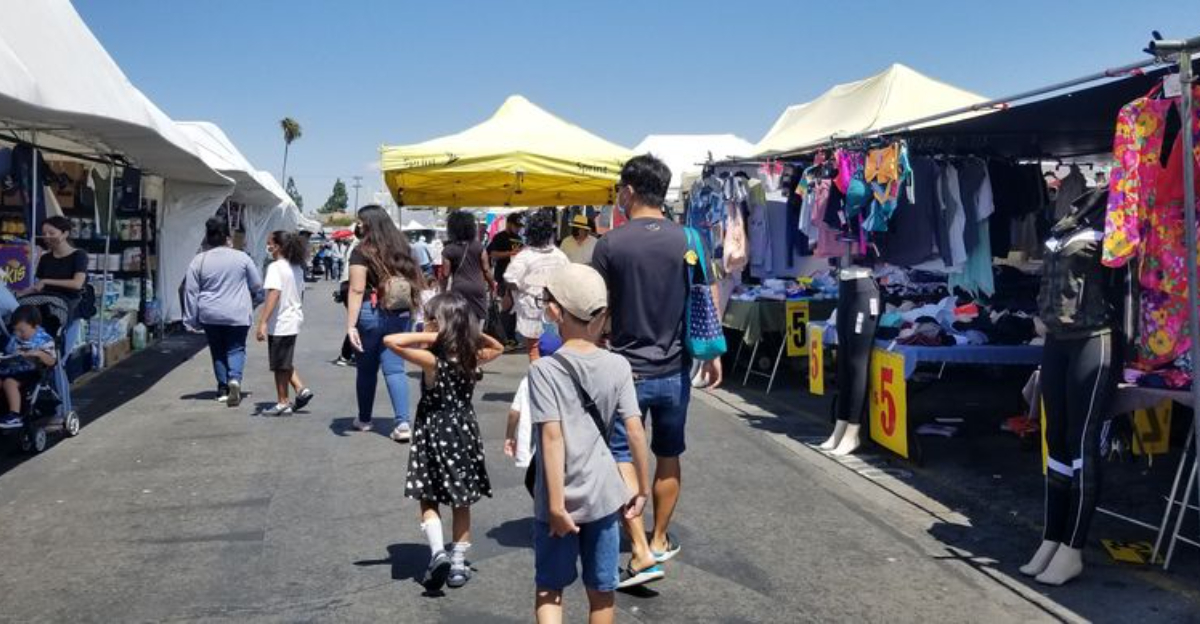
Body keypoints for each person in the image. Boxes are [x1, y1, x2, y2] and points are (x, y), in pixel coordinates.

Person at [592, 154, 723, 588]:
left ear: (629, 191)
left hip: (624, 370)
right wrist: (713, 353)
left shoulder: (610, 245)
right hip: (675, 369)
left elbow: (597, 308)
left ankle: (639, 549)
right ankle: (660, 537)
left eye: (619, 189)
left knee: (621, 455)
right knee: (669, 454)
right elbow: (705, 296)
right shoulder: (689, 238)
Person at [528, 264, 651, 624]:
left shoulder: (544, 370)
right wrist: (642, 488)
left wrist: (555, 506)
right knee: (601, 593)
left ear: (556, 312)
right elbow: (635, 431)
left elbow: (552, 437)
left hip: (558, 498)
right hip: (604, 495)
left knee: (550, 590)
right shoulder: (618, 365)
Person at [383, 292, 504, 591]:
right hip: (464, 431)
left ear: (438, 324)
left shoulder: (431, 360)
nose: (423, 323)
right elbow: (498, 346)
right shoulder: (471, 357)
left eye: (428, 319)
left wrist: (433, 336)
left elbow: (391, 341)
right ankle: (459, 563)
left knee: (428, 495)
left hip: (434, 430)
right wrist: (467, 333)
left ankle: (438, 553)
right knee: (461, 500)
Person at [345, 205, 425, 441]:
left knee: (366, 369)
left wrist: (351, 326)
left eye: (360, 221)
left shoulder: (361, 251)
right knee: (395, 369)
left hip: (370, 311)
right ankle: (402, 424)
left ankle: (364, 419)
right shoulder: (403, 248)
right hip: (400, 313)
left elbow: (356, 289)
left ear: (369, 224)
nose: (358, 226)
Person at [183, 217, 264, 407]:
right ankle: (234, 379)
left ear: (207, 237)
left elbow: (191, 291)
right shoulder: (242, 257)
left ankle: (222, 388)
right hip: (238, 313)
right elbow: (256, 284)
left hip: (210, 314)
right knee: (236, 348)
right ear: (227, 236)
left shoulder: (198, 260)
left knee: (217, 350)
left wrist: (190, 319)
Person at [255, 231, 315, 416]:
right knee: (283, 360)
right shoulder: (296, 267)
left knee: (279, 364)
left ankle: (283, 401)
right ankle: (300, 389)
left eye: (270, 243)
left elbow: (274, 294)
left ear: (278, 246)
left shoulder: (275, 267)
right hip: (293, 317)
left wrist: (262, 321)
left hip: (281, 321)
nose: (268, 246)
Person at [506, 210, 569, 362]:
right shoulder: (559, 255)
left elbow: (511, 280)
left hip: (531, 309)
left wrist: (523, 286)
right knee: (557, 350)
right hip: (555, 308)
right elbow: (568, 278)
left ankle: (538, 375)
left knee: (534, 351)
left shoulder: (525, 255)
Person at [504, 332, 563, 469]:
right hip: (558, 443)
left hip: (532, 444)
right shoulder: (564, 379)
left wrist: (509, 436)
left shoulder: (528, 380)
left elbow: (514, 412)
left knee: (535, 477)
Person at [0, 305, 57, 430]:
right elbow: (8, 352)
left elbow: (52, 361)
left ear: (35, 326)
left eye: (22, 331)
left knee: (9, 382)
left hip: (31, 372)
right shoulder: (15, 338)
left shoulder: (44, 340)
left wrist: (39, 354)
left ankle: (14, 414)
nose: (18, 334)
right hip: (12, 368)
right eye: (16, 330)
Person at [441, 211, 495, 330]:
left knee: (459, 323)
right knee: (477, 323)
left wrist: (442, 291)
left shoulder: (448, 250)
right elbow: (486, 270)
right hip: (477, 288)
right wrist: (492, 285)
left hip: (459, 289)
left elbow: (445, 274)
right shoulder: (479, 247)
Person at [19, 216, 88, 309]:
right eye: (44, 234)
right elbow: (39, 286)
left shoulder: (79, 255)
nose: (47, 237)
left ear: (65, 234)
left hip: (68, 304)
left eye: (52, 233)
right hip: (46, 302)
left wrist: (46, 281)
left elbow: (77, 284)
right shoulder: (45, 258)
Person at [487, 213, 524, 343]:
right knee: (506, 306)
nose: (518, 229)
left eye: (520, 226)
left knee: (514, 307)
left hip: (516, 278)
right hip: (503, 277)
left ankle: (511, 336)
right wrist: (510, 253)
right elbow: (492, 254)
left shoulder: (519, 239)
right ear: (509, 223)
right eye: (516, 226)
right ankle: (502, 337)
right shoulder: (499, 237)